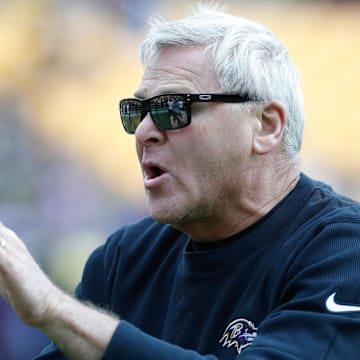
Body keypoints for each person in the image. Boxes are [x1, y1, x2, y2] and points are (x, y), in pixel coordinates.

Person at [1, 3, 360, 359]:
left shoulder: (344, 251)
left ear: (265, 125)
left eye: (173, 108)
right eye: (136, 112)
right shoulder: (125, 258)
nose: (143, 132)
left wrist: (53, 308)